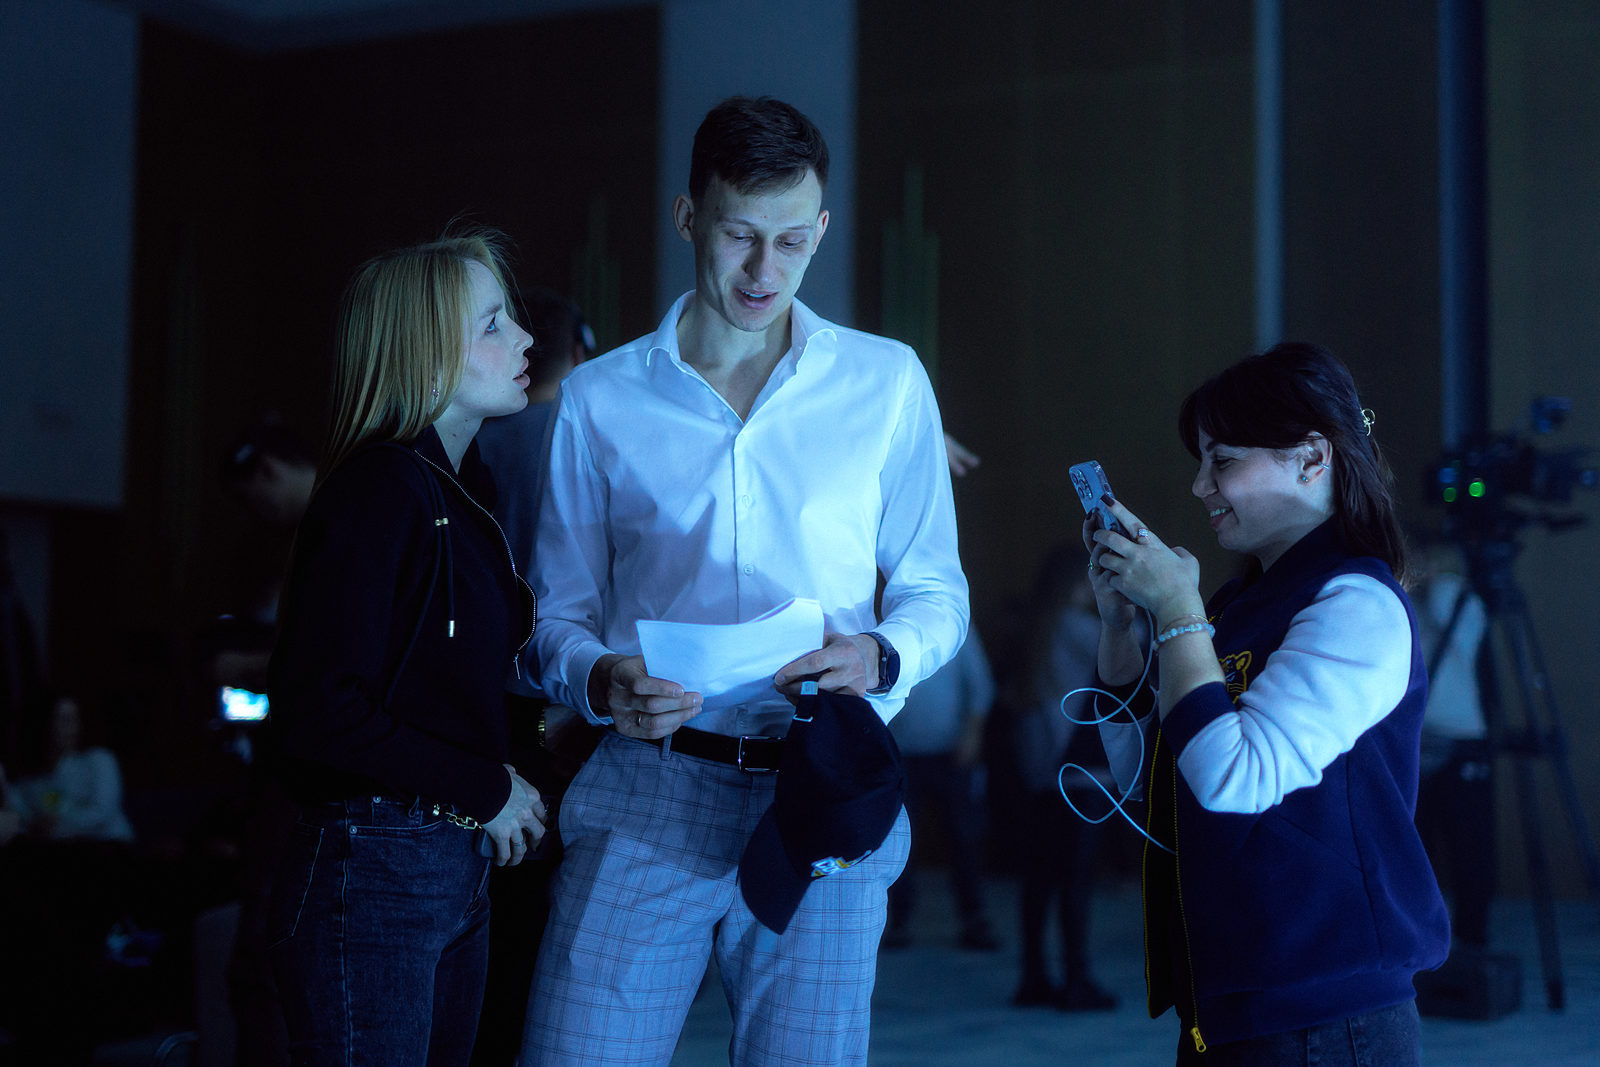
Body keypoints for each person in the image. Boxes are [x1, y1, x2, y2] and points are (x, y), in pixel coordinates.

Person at [521, 96, 968, 1066]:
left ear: (821, 231)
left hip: (823, 783)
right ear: (689, 219)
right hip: (650, 786)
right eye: (739, 236)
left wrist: (881, 652)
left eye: (791, 241)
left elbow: (937, 589)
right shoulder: (600, 397)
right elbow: (554, 614)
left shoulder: (887, 381)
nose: (765, 270)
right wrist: (601, 677)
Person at [1086, 342, 1449, 1065]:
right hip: (1234, 999)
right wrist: (1121, 627)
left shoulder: (1356, 600)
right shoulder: (1240, 604)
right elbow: (1154, 780)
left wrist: (1179, 611)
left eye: (1222, 461)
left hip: (1326, 1012)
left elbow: (1233, 778)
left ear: (1311, 457)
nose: (1201, 486)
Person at [266, 230, 548, 1066]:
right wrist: (486, 784)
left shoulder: (460, 492)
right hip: (376, 864)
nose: (524, 338)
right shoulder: (380, 488)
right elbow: (320, 709)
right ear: (424, 355)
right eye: (493, 324)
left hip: (445, 859)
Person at [1002, 545, 1118, 1011]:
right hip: (1083, 768)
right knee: (1076, 879)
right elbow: (1136, 649)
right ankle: (1076, 980)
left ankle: (1033, 977)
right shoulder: (1080, 627)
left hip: (1041, 768)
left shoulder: (1034, 628)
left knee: (1040, 877)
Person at [884, 628, 999, 952]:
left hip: (951, 752)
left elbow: (980, 685)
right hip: (900, 754)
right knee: (899, 842)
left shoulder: (956, 626)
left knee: (964, 836)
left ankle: (973, 919)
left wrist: (972, 734)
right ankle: (897, 921)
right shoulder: (888, 626)